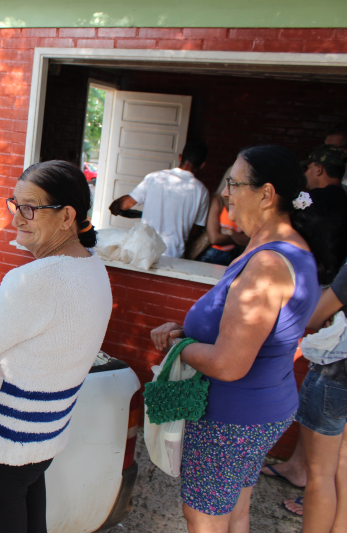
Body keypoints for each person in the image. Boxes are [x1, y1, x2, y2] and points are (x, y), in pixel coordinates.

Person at [151, 145, 334, 533]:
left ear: (266, 194)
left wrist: (179, 346)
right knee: (235, 510)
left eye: (233, 184)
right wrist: (190, 332)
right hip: (259, 409)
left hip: (231, 416)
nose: (225, 193)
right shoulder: (283, 249)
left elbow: (228, 363)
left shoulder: (267, 263)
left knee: (204, 517)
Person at [0, 160, 113, 533]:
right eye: (15, 205)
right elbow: (45, 330)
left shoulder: (35, 280)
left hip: (1, 445)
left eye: (30, 209)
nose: (17, 219)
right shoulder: (92, 268)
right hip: (40, 440)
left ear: (67, 216)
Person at [273, 263, 347, 531]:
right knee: (342, 467)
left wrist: (332, 312)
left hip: (337, 374)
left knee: (321, 474)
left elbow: (315, 316)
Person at [109, 141, 210, 258]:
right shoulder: (201, 191)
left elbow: (126, 204)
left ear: (180, 157)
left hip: (144, 249)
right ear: (203, 165)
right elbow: (195, 229)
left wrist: (116, 205)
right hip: (173, 254)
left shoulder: (155, 177)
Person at [197, 169, 249, 266]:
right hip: (211, 255)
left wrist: (231, 232)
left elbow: (247, 241)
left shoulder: (245, 206)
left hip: (234, 255)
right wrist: (238, 238)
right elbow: (214, 238)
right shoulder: (217, 201)